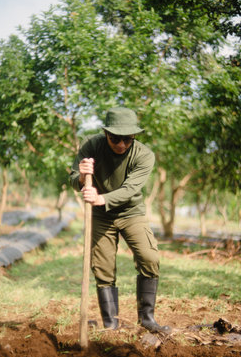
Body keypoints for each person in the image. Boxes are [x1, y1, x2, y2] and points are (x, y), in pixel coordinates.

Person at [70, 107, 170, 334]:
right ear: (106, 134)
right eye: (115, 139)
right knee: (103, 268)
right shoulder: (91, 146)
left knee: (149, 256)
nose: (122, 144)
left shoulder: (144, 155)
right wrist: (83, 175)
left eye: (127, 139)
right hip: (100, 216)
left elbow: (130, 189)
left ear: (134, 136)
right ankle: (111, 323)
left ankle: (146, 318)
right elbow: (74, 180)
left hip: (130, 212)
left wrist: (100, 197)